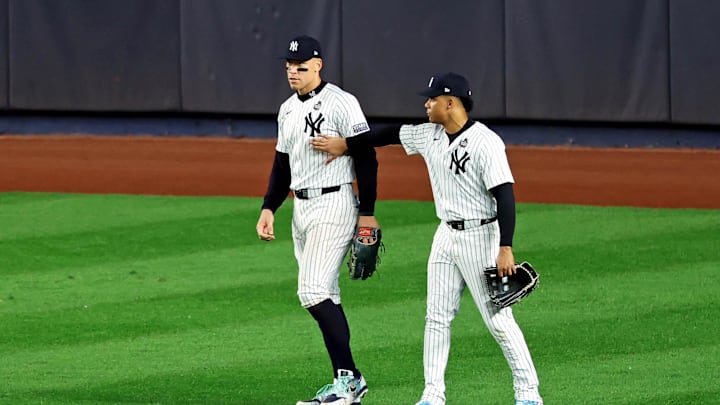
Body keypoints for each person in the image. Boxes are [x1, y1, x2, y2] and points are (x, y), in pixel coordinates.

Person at [310, 72, 543, 405]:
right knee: (436, 317)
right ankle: (433, 395)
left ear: (451, 103)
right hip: (445, 236)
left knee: (498, 322)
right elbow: (388, 134)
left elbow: (505, 195)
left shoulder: (485, 141)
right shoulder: (429, 134)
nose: (426, 103)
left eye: (432, 99)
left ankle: (529, 395)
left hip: (482, 237)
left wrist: (505, 247)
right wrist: (346, 144)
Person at [255, 35, 380, 405]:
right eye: (290, 66)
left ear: (319, 65)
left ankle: (350, 380)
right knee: (326, 294)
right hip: (302, 209)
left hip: (335, 202)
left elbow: (367, 157)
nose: (294, 71)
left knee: (311, 292)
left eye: (302, 66)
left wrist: (368, 213)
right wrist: (268, 207)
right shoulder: (286, 110)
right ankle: (347, 386)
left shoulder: (342, 103)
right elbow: (282, 163)